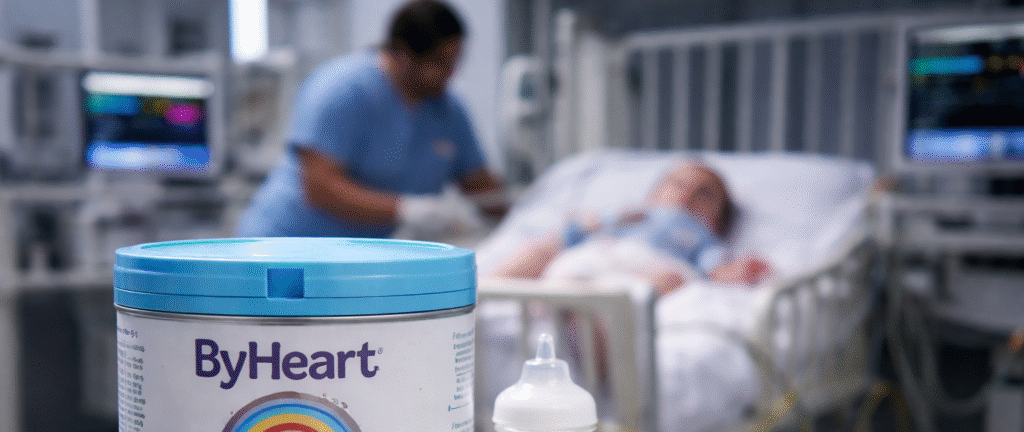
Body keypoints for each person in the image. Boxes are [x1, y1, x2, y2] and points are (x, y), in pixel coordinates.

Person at [237, 0, 505, 240]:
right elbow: (320, 187)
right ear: (402, 54)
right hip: (286, 245)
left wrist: (535, 209)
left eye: (455, 63)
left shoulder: (447, 111)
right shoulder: (342, 91)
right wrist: (406, 209)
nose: (450, 74)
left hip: (353, 260)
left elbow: (479, 185)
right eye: (439, 63)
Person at [492, 162, 772, 293]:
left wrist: (738, 271)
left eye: (704, 194)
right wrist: (581, 225)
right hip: (601, 253)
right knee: (542, 248)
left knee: (669, 280)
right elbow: (575, 232)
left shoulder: (702, 235)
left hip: (652, 267)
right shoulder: (630, 215)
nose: (688, 195)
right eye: (678, 184)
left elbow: (713, 266)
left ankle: (600, 329)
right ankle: (483, 291)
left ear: (717, 221)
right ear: (652, 195)